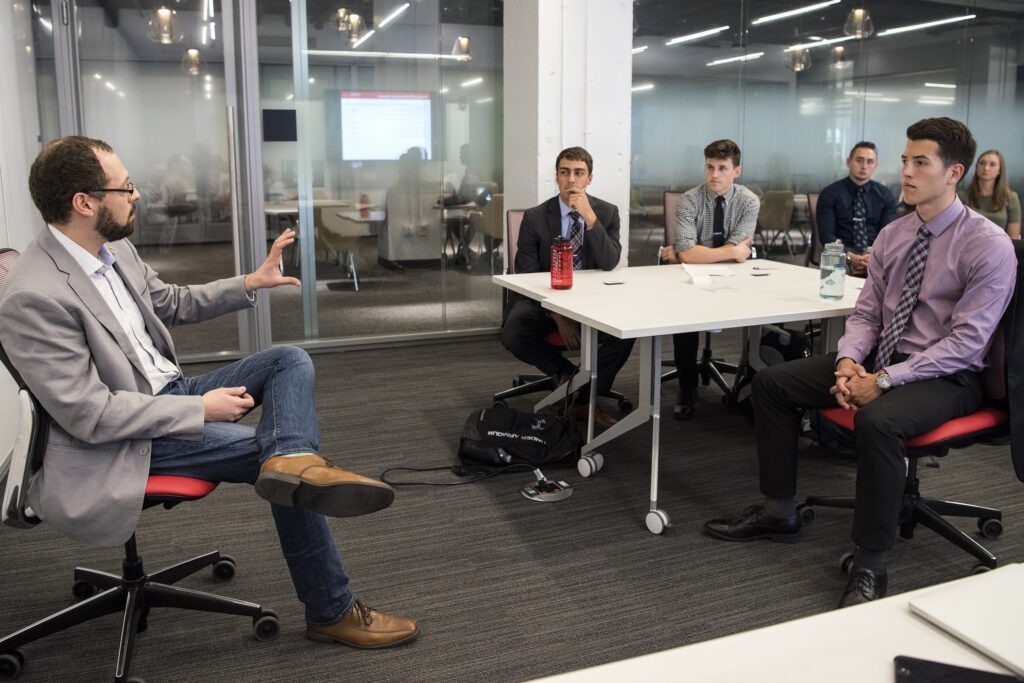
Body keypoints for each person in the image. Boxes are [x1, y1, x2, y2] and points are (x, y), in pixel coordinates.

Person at [0, 136, 418, 649]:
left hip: (166, 390)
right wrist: (197, 409)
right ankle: (331, 609)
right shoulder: (33, 296)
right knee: (272, 465)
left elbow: (170, 301)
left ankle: (293, 456)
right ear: (84, 203)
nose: (136, 195)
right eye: (125, 186)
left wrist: (251, 281)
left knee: (289, 361)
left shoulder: (111, 248)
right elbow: (90, 415)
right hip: (123, 439)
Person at [703, 118, 1016, 608]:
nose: (906, 172)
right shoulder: (894, 235)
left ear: (954, 172)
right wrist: (850, 362)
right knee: (772, 385)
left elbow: (966, 344)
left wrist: (885, 380)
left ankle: (871, 561)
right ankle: (779, 510)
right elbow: (868, 312)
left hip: (948, 374)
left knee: (878, 419)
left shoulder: (987, 244)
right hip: (881, 356)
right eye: (905, 161)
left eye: (920, 163)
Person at [500, 146, 635, 430]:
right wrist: (558, 316)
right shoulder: (536, 216)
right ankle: (567, 375)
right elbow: (525, 274)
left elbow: (610, 263)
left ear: (589, 178)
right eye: (565, 172)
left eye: (578, 173)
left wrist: (589, 218)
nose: (571, 180)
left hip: (593, 298)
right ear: (557, 176)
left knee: (625, 332)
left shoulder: (606, 213)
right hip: (545, 297)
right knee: (514, 331)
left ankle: (584, 399)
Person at [659, 139, 759, 420]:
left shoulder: (749, 201)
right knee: (686, 315)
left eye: (722, 168)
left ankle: (751, 384)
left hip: (736, 280)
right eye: (710, 167)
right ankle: (687, 386)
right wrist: (727, 251)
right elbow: (701, 254)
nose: (714, 175)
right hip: (689, 281)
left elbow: (693, 252)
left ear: (736, 171)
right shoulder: (689, 200)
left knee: (765, 312)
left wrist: (688, 253)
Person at [816, 142, 898, 277]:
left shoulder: (885, 196)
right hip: (841, 254)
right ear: (848, 162)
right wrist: (849, 256)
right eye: (859, 160)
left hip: (874, 255)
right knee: (837, 274)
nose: (864, 166)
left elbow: (887, 236)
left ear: (876, 166)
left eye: (870, 162)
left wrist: (869, 257)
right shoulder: (830, 193)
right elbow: (827, 236)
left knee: (890, 275)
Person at [958, 149, 1021, 239]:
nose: (986, 168)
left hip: (1000, 249)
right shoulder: (961, 196)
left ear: (1000, 170)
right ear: (976, 167)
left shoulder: (1011, 198)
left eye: (992, 164)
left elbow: (1013, 238)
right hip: (968, 248)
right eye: (982, 163)